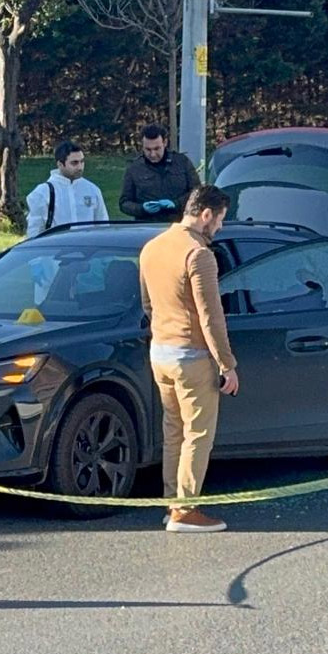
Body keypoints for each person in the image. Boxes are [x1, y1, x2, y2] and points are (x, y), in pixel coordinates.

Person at [139, 185, 239, 533]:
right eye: (220, 219)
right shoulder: (199, 255)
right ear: (206, 214)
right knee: (198, 434)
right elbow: (211, 316)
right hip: (192, 356)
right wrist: (227, 364)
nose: (220, 228)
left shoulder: (152, 248)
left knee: (174, 432)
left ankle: (173, 504)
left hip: (160, 352)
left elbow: (148, 305)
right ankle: (185, 509)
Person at [24, 140, 108, 238]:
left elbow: (103, 226)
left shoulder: (92, 190)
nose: (80, 167)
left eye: (82, 162)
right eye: (74, 163)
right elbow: (35, 231)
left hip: (86, 246)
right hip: (56, 245)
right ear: (60, 164)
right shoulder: (43, 193)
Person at [119, 124, 200, 222]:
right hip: (147, 225)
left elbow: (198, 193)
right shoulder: (134, 168)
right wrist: (142, 209)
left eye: (157, 149)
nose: (152, 154)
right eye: (148, 149)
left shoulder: (182, 162)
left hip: (179, 223)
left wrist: (176, 204)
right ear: (142, 146)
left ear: (165, 142)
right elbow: (124, 203)